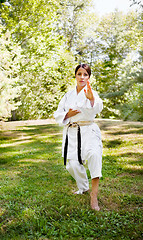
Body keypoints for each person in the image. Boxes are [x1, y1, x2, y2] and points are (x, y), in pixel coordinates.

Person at [54, 63, 103, 211]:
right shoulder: (68, 95)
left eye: (85, 74)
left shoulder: (91, 92)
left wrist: (92, 99)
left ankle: (93, 197)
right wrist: (68, 115)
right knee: (72, 165)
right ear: (75, 76)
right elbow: (58, 113)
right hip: (72, 132)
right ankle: (83, 188)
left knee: (94, 156)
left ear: (89, 77)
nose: (82, 77)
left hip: (89, 130)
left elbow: (98, 107)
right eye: (79, 74)